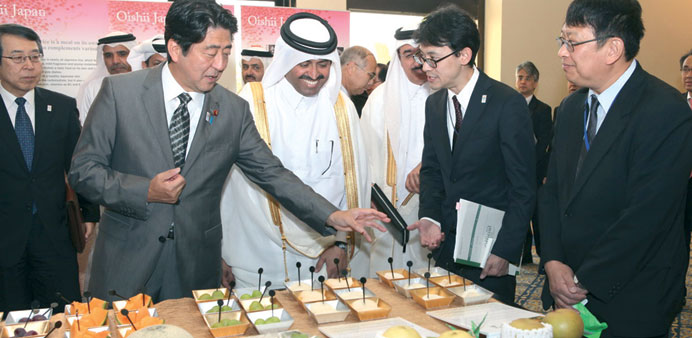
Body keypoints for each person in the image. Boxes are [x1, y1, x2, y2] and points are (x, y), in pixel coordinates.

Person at [68, 0, 387, 303]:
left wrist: (332, 214)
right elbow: (84, 172)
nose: (219, 65)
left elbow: (272, 174)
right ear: (176, 48)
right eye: (210, 53)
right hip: (127, 260)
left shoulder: (233, 109)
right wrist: (145, 190)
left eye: (225, 52)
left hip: (194, 267)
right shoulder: (121, 94)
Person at [540, 1, 692, 336]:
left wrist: (582, 281)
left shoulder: (666, 112)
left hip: (629, 294)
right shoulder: (570, 107)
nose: (562, 53)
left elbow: (646, 216)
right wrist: (552, 261)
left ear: (612, 49)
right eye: (561, 41)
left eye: (572, 42)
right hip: (563, 285)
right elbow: (552, 191)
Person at [221, 12, 371, 287]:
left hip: (323, 255)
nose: (314, 74)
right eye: (304, 63)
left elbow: (354, 184)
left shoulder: (341, 107)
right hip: (256, 254)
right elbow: (227, 188)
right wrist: (222, 251)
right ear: (286, 61)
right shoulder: (253, 102)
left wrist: (341, 244)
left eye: (323, 64)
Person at [407, 5, 535, 305]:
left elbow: (523, 188)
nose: (425, 67)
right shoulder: (435, 104)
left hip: (491, 249)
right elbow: (433, 170)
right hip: (446, 248)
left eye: (433, 58)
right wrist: (429, 216)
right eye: (422, 58)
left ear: (464, 55)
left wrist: (506, 249)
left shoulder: (507, 103)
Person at [0, 24, 99, 314]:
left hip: (54, 235)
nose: (29, 65)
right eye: (18, 58)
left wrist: (88, 212)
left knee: (63, 315)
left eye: (35, 56)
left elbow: (80, 165)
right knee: (11, 319)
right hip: (4, 239)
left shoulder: (62, 107)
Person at [357, 26, 432, 276]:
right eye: (409, 54)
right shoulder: (378, 99)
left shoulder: (442, 96)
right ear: (397, 58)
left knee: (425, 279)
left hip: (427, 205)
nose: (416, 62)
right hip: (383, 207)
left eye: (422, 54)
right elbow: (362, 154)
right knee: (383, 279)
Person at [515, 61, 553, 263]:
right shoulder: (510, 106)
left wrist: (532, 165)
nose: (523, 82)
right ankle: (524, 255)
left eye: (528, 78)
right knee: (518, 213)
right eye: (520, 77)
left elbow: (545, 142)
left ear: (535, 83)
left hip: (536, 171)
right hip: (514, 171)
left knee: (538, 217)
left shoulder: (543, 110)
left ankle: (544, 257)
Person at [76, 31, 136, 125]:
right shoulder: (93, 88)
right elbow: (86, 127)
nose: (115, 61)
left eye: (122, 54)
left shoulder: (146, 85)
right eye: (108, 56)